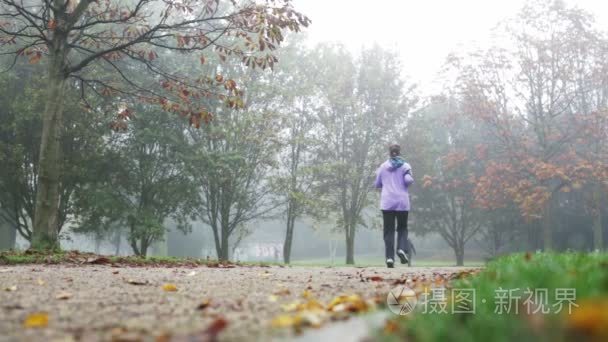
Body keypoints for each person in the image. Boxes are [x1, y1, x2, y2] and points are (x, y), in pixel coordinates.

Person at [374, 144, 414, 268]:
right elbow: (408, 180)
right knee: (402, 228)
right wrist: (407, 178)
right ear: (399, 152)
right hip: (402, 202)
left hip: (387, 203)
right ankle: (401, 249)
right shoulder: (406, 166)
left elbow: (377, 184)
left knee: (389, 231)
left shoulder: (383, 166)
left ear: (390, 152)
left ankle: (390, 258)